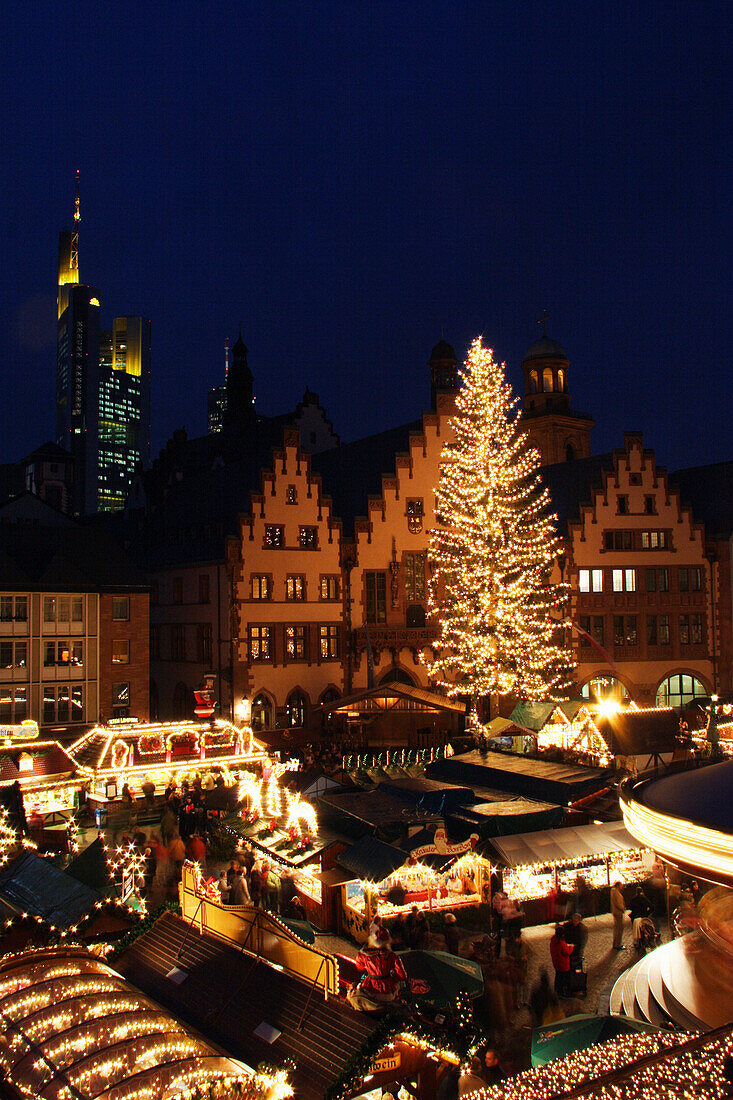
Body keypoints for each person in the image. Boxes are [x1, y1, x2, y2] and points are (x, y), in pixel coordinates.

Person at [346, 941, 407, 1012]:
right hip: (388, 992)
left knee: (353, 995)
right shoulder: (392, 956)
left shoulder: (363, 955)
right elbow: (402, 976)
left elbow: (359, 968)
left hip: (369, 988)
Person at [549, 924, 573, 997]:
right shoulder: (561, 943)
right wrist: (571, 947)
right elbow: (566, 953)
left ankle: (557, 990)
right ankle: (563, 993)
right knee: (564, 978)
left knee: (558, 976)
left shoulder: (553, 940)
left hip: (556, 963)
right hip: (563, 964)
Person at [611, 880, 626, 950]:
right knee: (619, 929)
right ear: (618, 886)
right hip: (618, 912)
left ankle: (615, 944)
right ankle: (618, 944)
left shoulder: (614, 892)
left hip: (616, 912)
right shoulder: (616, 893)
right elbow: (618, 903)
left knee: (617, 928)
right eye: (621, 885)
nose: (622, 886)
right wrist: (622, 908)